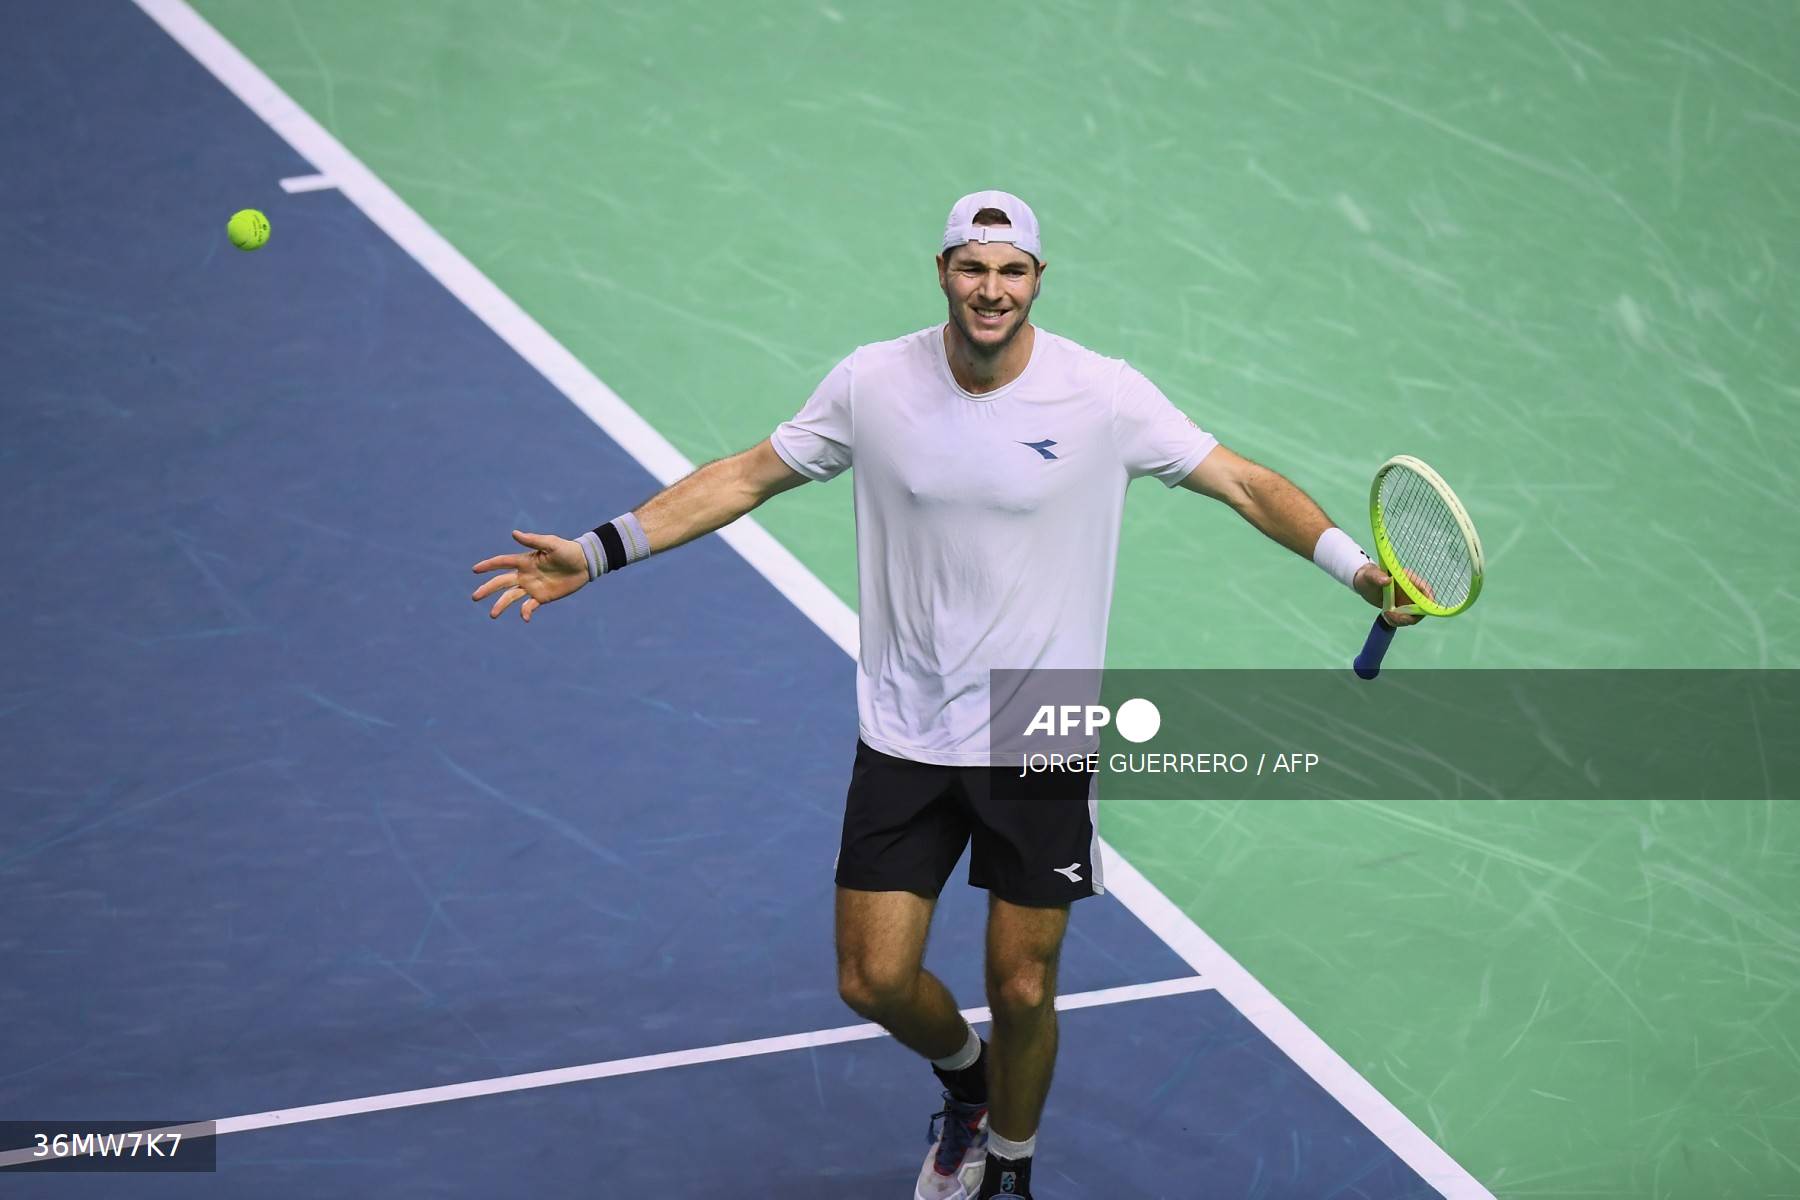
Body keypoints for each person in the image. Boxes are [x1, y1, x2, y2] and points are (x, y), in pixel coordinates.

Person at [471, 190, 1418, 1199]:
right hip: (907, 727)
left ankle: (1009, 1169)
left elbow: (1242, 483)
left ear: (1039, 283)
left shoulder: (1103, 395)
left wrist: (1352, 568)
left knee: (1021, 984)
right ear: (943, 272)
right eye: (974, 268)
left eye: (1012, 272)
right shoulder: (873, 382)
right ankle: (968, 1084)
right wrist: (600, 550)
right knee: (871, 979)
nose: (992, 289)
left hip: (1036, 725)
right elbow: (746, 476)